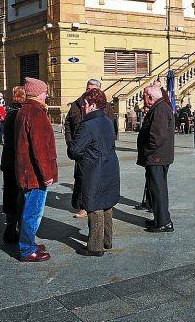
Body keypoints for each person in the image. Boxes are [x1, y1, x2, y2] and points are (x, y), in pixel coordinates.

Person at [68, 89, 120, 257]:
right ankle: (107, 240)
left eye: (84, 104)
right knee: (106, 202)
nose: (82, 106)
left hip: (94, 168)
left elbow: (75, 151)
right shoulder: (107, 121)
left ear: (92, 105)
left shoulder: (87, 125)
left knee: (95, 204)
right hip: (110, 165)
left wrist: (71, 145)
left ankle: (95, 247)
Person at [15, 77, 58, 262]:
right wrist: (47, 175)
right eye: (45, 91)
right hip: (34, 174)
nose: (47, 94)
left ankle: (28, 242)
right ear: (38, 93)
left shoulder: (24, 110)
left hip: (26, 171)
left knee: (28, 209)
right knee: (33, 212)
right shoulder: (36, 112)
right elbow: (40, 148)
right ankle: (27, 249)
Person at [64, 78, 116, 219]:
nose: (89, 90)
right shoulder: (77, 104)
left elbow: (111, 128)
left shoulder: (105, 108)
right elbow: (68, 124)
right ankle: (83, 206)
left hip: (95, 152)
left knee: (93, 182)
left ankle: (91, 207)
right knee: (80, 178)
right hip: (80, 147)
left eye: (92, 88)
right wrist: (71, 142)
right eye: (87, 88)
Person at [137, 84, 175, 232]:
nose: (143, 99)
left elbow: (157, 137)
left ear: (151, 98)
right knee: (155, 189)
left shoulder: (160, 109)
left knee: (158, 189)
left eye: (144, 96)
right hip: (157, 156)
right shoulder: (160, 107)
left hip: (157, 156)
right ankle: (160, 218)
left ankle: (164, 223)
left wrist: (146, 151)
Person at [0, 86, 26, 243]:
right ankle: (15, 230)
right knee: (18, 196)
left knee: (10, 195)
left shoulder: (10, 112)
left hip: (8, 161)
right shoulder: (19, 114)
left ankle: (10, 229)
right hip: (16, 161)